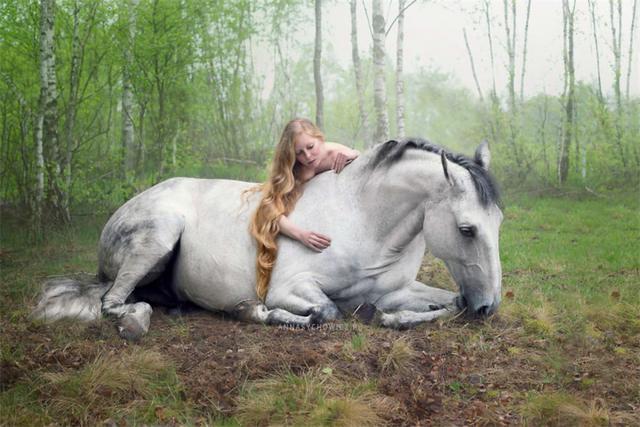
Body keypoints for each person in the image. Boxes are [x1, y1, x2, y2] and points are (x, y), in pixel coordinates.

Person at [250, 118, 359, 300]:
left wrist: (354, 154)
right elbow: (269, 211)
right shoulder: (293, 169)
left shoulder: (337, 154)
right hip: (299, 215)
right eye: (299, 153)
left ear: (320, 139)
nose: (308, 157)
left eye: (311, 147)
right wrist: (301, 235)